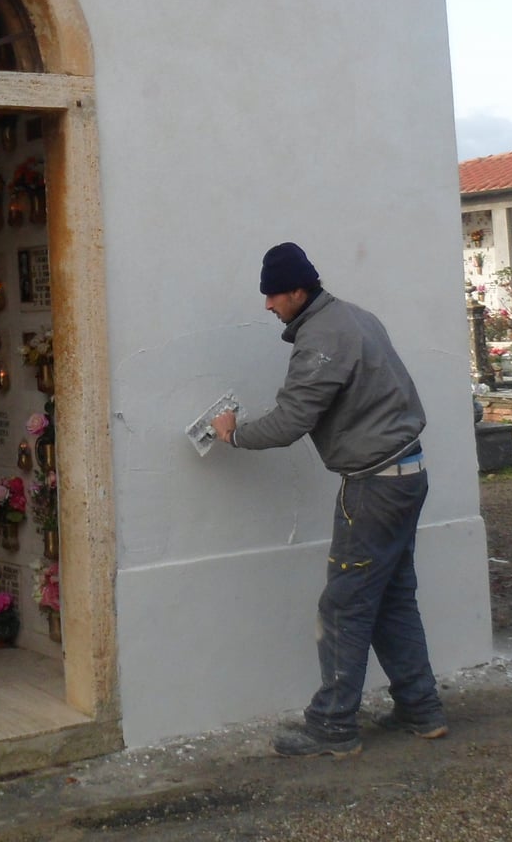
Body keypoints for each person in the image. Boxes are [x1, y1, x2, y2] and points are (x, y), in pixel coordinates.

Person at [209, 242, 448, 757]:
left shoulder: (321, 338)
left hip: (375, 487)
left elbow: (291, 422)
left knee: (343, 606)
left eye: (274, 295)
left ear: (298, 291)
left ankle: (333, 725)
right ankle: (420, 708)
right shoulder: (356, 317)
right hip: (407, 474)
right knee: (391, 596)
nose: (268, 304)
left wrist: (233, 434)